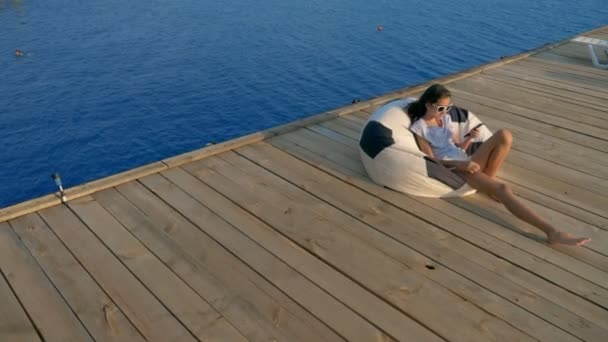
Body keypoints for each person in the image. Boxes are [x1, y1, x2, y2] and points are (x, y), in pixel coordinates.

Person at [408, 83, 590, 246]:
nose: (445, 112)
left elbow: (455, 145)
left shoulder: (444, 119)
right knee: (503, 189)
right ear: (428, 105)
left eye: (448, 108)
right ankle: (552, 232)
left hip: (464, 159)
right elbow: (432, 161)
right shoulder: (419, 127)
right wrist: (460, 165)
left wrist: (470, 139)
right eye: (441, 108)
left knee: (504, 134)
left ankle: (487, 183)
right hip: (455, 168)